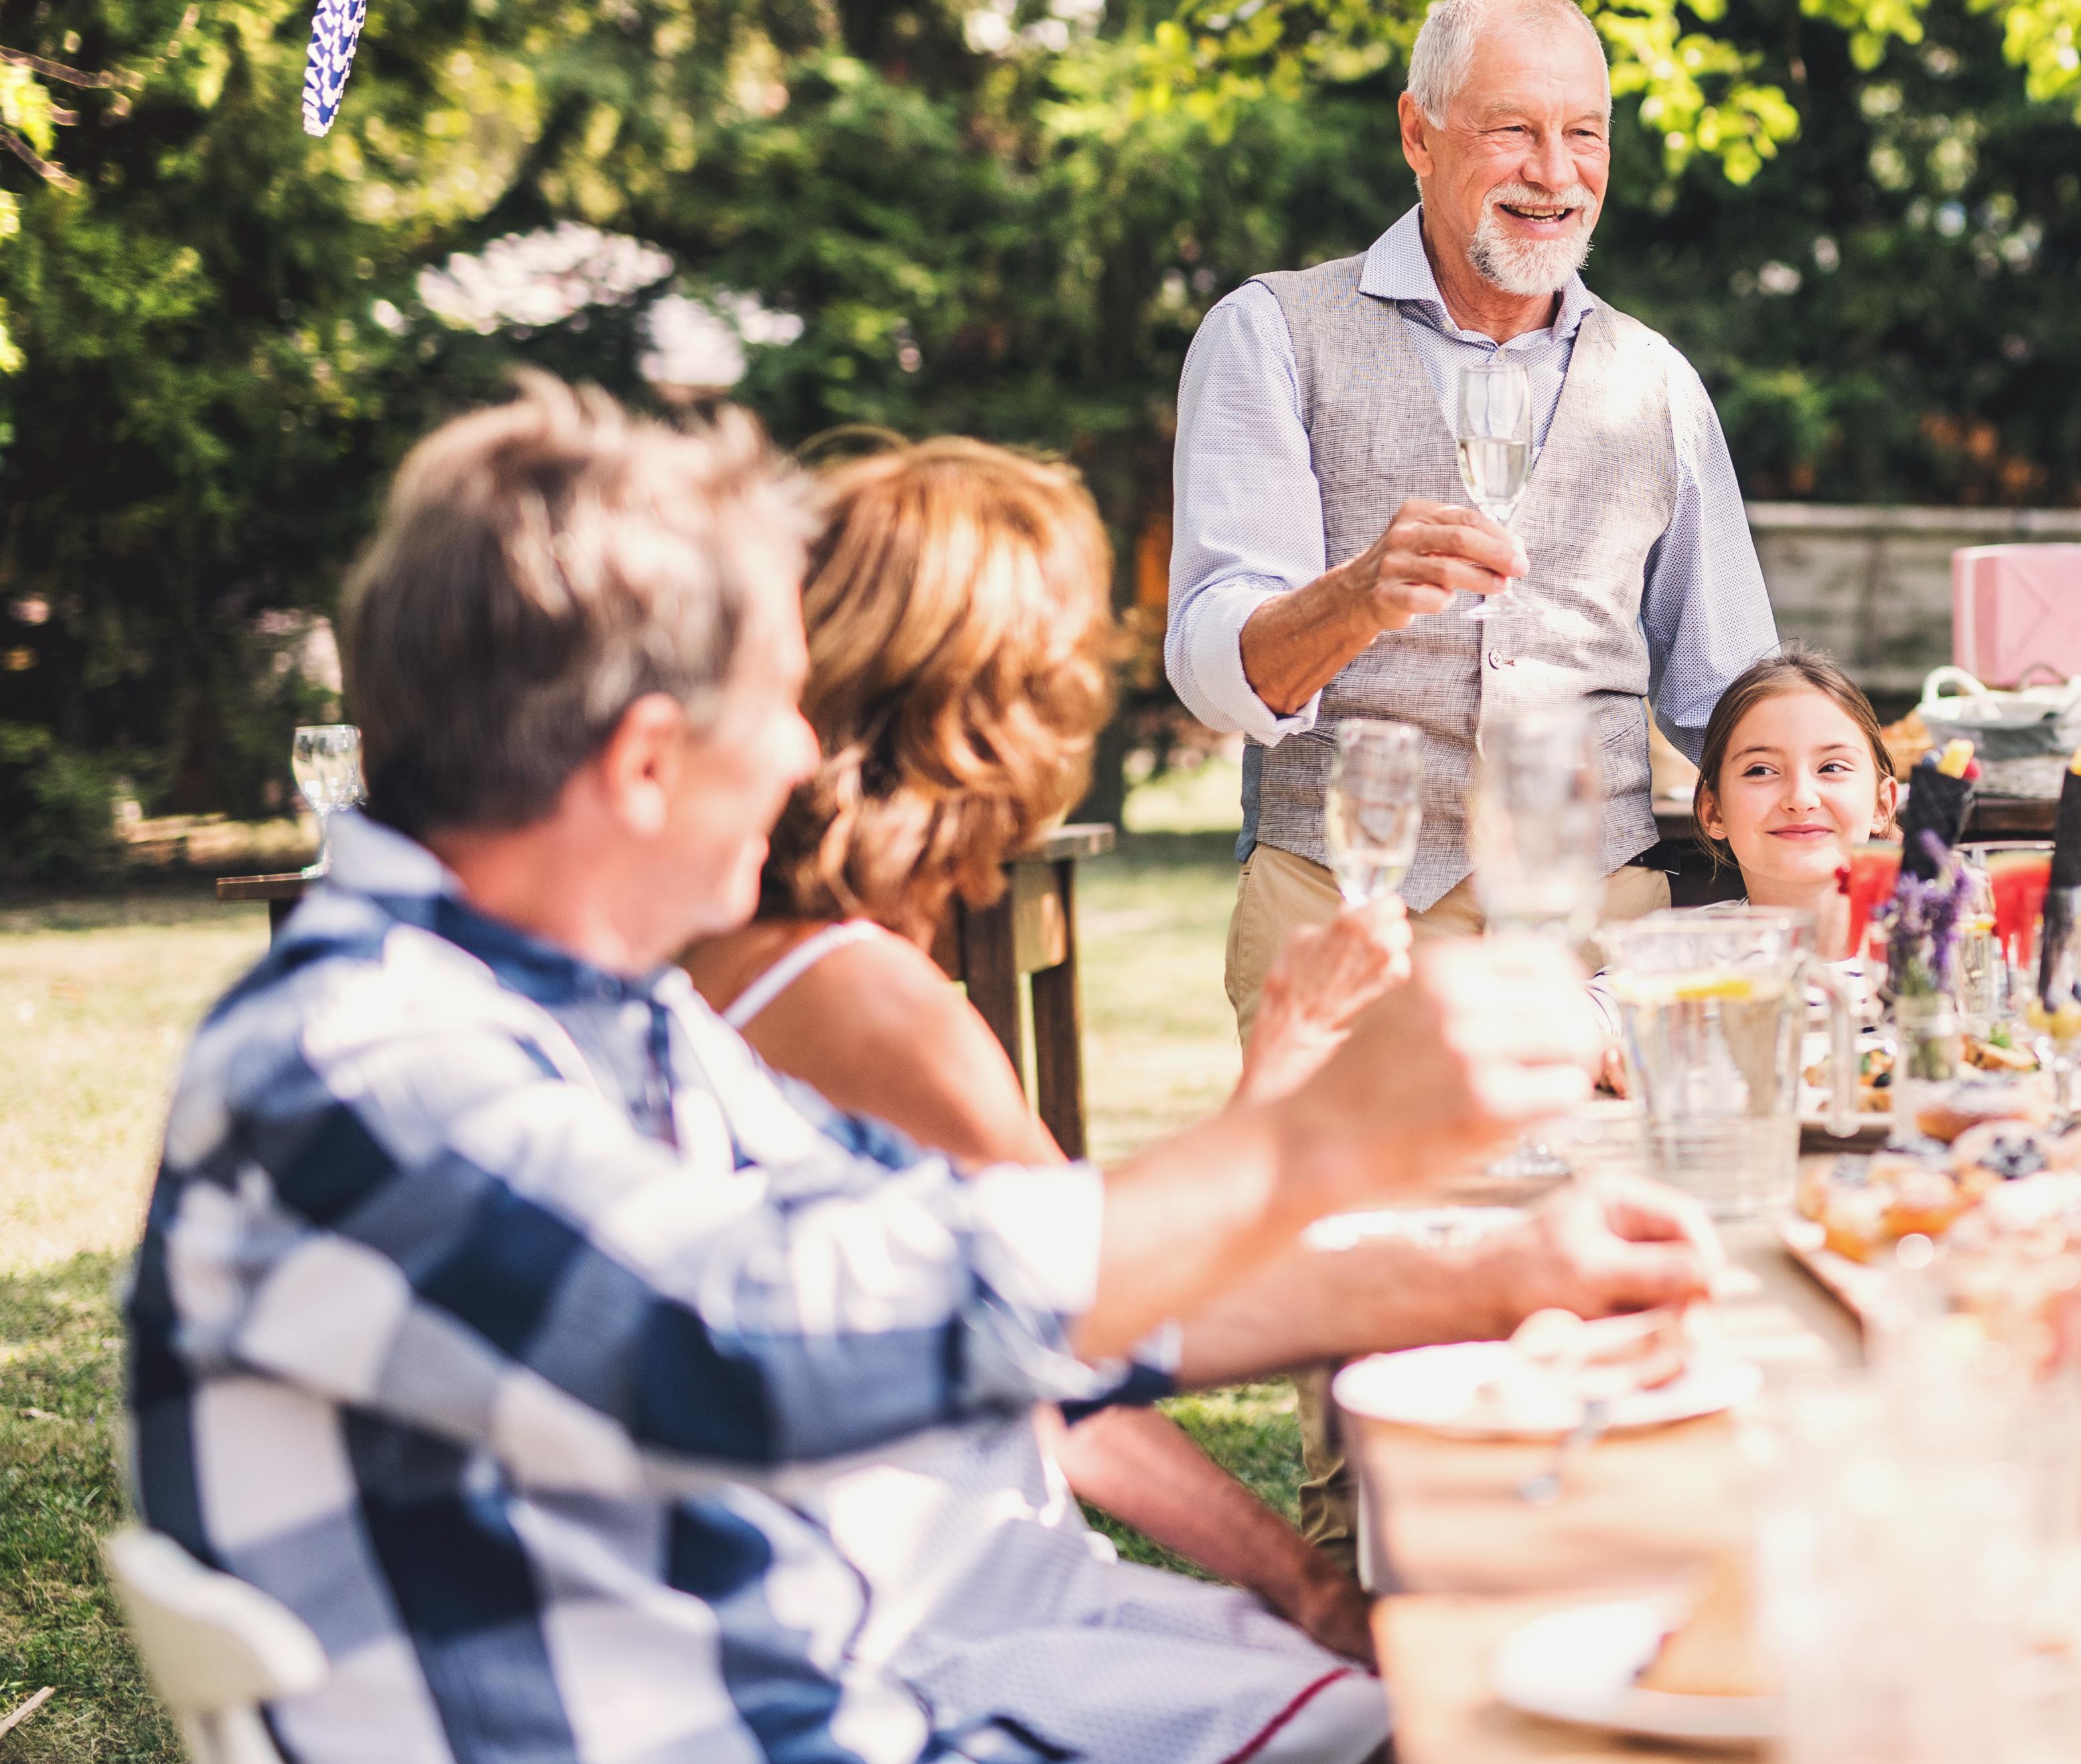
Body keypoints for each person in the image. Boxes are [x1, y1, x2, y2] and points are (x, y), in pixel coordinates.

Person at [126, 377, 1703, 1764]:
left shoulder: (606, 1021)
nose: (802, 753)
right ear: (648, 761)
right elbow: (748, 1332)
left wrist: (1492, 1273)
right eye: (777, 703)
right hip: (772, 1717)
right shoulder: (357, 1054)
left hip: (812, 1676)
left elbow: (993, 1280)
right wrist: (1314, 1145)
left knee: (1523, 1693)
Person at [678, 437, 1396, 1664]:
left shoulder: (742, 942)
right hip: (930, 1609)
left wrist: (1279, 1060)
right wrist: (1316, 1597)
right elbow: (1098, 1341)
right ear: (1000, 707)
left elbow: (1039, 1316)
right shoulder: (864, 1000)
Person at [1164, 0, 1781, 1050]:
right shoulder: (1270, 334)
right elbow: (1213, 665)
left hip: (1597, 924)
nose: (1556, 173)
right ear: (1419, 132)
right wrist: (1354, 598)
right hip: (1345, 910)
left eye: (1584, 134)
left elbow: (1729, 686)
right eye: (1513, 131)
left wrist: (1837, 774)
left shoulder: (1658, 381)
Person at [1689, 645, 1898, 916]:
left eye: (1832, 767)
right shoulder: (1672, 943)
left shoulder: (1941, 939)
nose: (1801, 799)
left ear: (1881, 806)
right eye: (1761, 771)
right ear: (1713, 811)